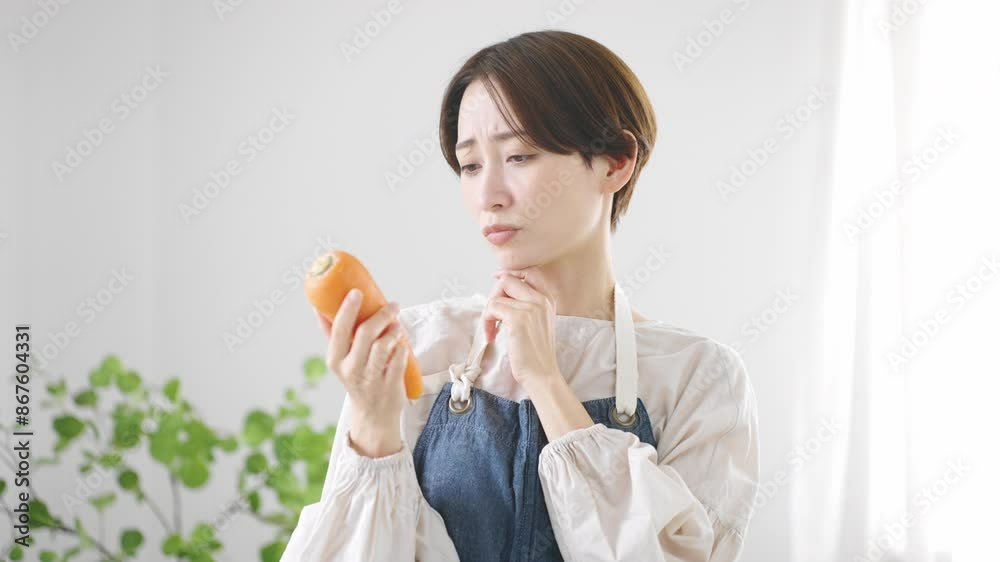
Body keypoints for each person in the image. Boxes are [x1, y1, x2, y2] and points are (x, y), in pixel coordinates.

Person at [281, 30, 760, 562]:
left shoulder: (699, 376)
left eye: (520, 156)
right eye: (470, 166)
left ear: (616, 162)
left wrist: (546, 381)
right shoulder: (420, 348)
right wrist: (372, 425)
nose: (488, 196)